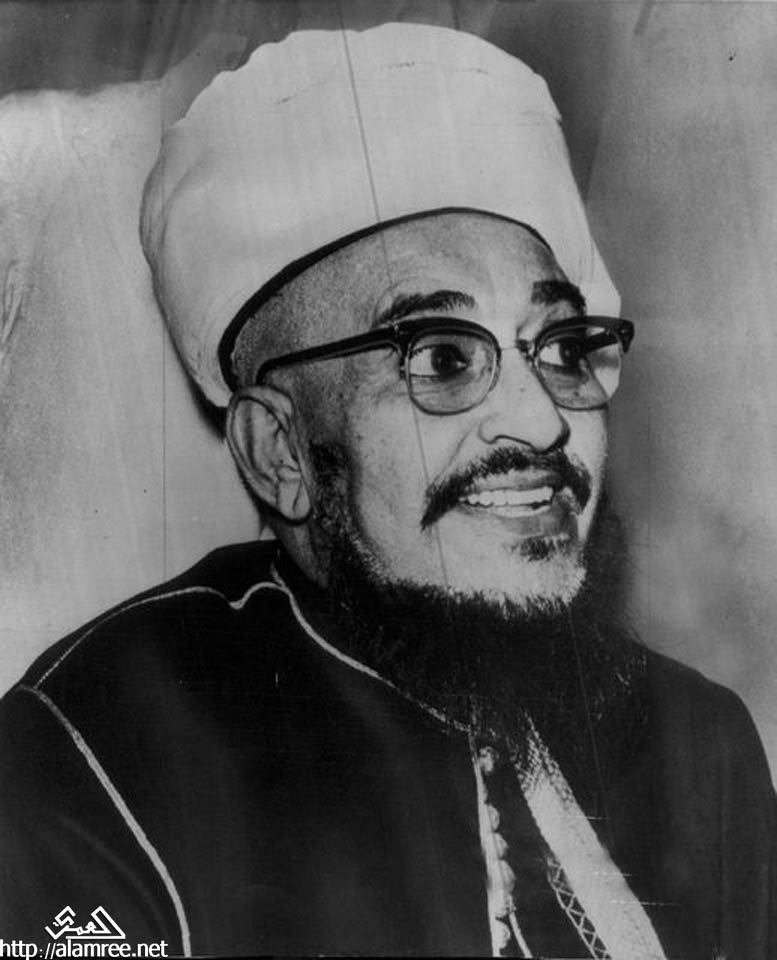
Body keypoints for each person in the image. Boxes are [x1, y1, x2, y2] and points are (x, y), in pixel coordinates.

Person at [0, 23, 774, 959]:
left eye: (563, 350)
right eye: (442, 358)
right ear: (279, 452)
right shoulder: (93, 750)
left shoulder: (698, 742)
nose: (542, 423)